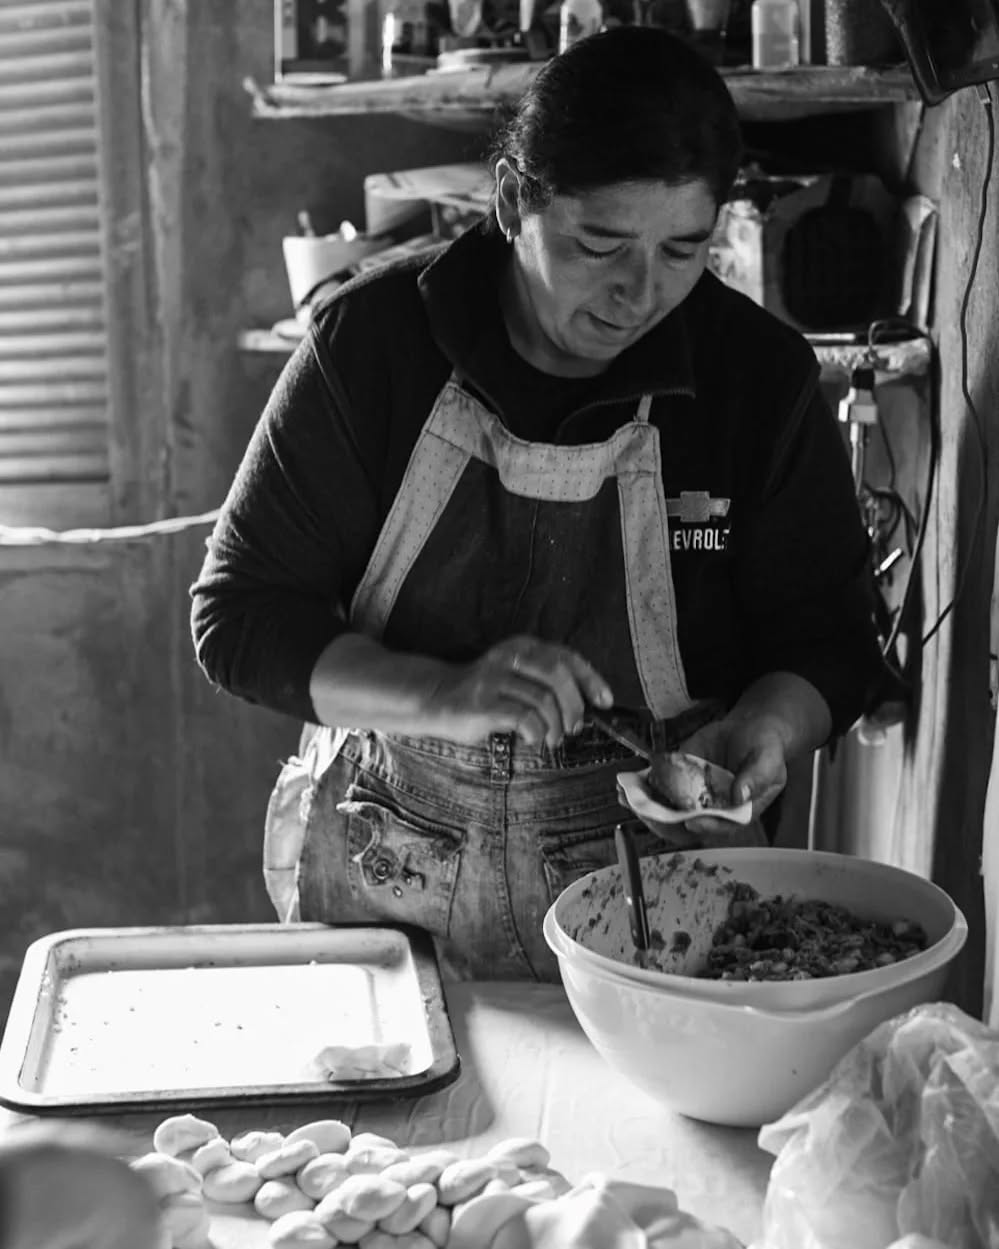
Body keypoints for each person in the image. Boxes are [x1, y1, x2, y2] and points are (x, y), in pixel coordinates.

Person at [190, 26, 883, 981]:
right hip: (392, 865)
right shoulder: (373, 346)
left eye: (682, 249)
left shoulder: (754, 379)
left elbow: (832, 642)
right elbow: (238, 620)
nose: (639, 293)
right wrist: (442, 694)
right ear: (514, 198)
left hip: (657, 886)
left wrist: (766, 727)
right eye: (599, 244)